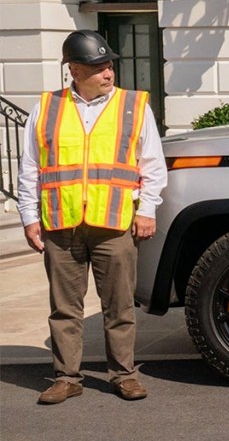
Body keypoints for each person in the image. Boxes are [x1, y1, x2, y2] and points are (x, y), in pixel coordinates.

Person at [17, 30, 167, 404]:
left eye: (109, 65)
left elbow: (152, 165)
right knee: (64, 309)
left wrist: (147, 209)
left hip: (114, 224)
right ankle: (67, 377)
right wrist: (28, 216)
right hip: (60, 225)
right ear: (74, 69)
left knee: (119, 306)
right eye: (98, 67)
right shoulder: (46, 107)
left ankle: (124, 375)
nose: (108, 73)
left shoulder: (134, 106)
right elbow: (30, 168)